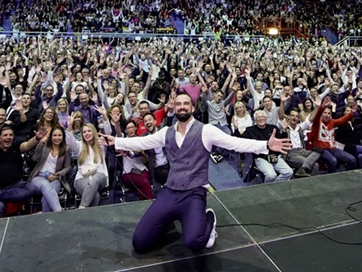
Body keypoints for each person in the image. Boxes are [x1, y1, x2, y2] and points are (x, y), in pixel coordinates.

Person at [100, 92, 291, 253]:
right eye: (178, 104)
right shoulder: (165, 132)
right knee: (139, 243)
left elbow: (236, 143)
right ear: (174, 108)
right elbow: (141, 142)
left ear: (192, 108)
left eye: (186, 104)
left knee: (195, 242)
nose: (182, 107)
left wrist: (266, 145)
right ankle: (171, 217)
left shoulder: (206, 131)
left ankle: (209, 218)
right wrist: (116, 141)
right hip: (170, 192)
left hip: (194, 193)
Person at [0, 123, 47, 219]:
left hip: (14, 186)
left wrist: (37, 138)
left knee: (31, 189)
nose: (8, 137)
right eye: (5, 135)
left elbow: (27, 145)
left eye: (11, 135)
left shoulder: (16, 148)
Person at [27, 126, 72, 213]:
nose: (57, 138)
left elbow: (67, 167)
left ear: (63, 137)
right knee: (45, 186)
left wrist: (57, 175)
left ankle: (45, 217)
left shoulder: (66, 149)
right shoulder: (44, 145)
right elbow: (34, 158)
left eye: (60, 135)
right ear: (51, 136)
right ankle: (59, 211)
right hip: (39, 177)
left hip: (55, 178)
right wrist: (40, 143)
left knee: (47, 195)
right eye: (55, 135)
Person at [68, 123, 108, 208]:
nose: (87, 134)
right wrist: (70, 126)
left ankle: (82, 208)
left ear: (94, 132)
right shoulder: (79, 145)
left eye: (89, 131)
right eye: (84, 132)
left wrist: (105, 118)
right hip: (82, 178)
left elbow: (108, 133)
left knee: (96, 178)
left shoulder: (101, 144)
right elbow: (69, 141)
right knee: (95, 195)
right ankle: (91, 219)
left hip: (100, 177)